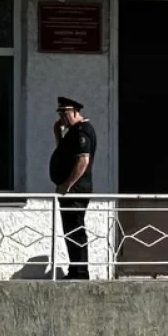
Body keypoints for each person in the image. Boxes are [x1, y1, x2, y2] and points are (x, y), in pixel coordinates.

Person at [50, 96, 96, 280]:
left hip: (76, 190)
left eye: (65, 112)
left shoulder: (82, 131)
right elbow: (64, 155)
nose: (62, 117)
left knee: (76, 229)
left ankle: (80, 273)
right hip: (70, 190)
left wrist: (67, 185)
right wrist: (58, 134)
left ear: (76, 111)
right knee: (70, 229)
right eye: (59, 113)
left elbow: (82, 161)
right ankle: (75, 270)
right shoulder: (72, 132)